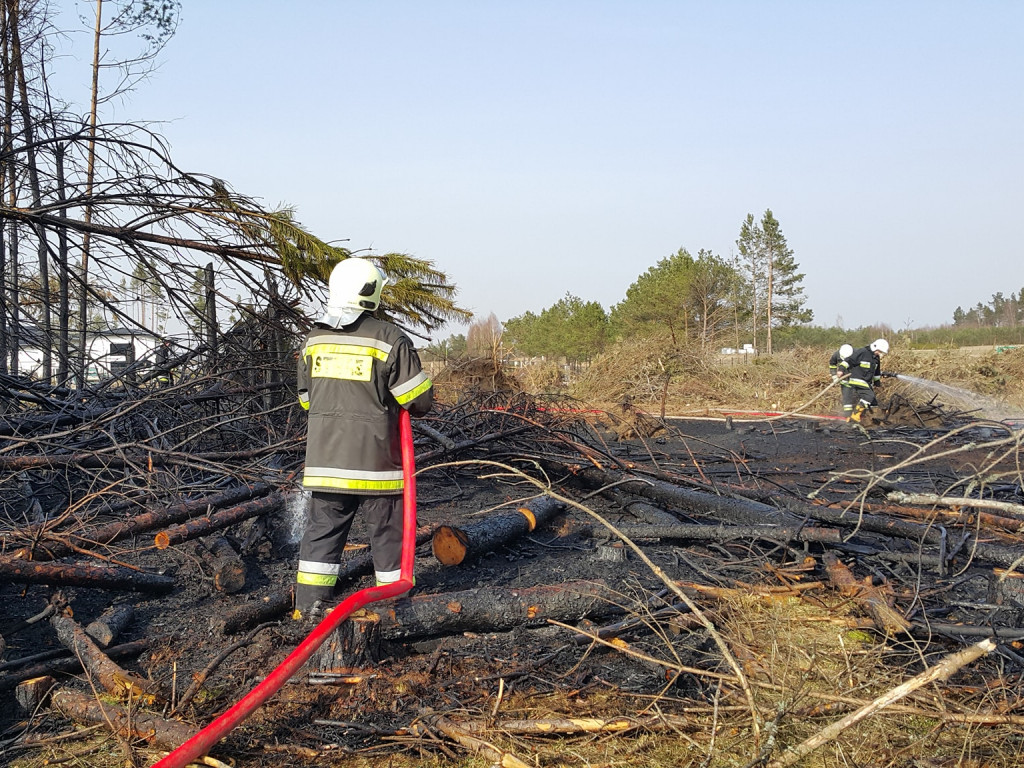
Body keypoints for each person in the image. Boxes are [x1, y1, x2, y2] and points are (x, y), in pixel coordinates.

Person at [293, 258, 433, 621]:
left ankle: (307, 610)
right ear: (371, 292)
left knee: (321, 536)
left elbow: (307, 400)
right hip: (377, 467)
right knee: (388, 538)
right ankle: (393, 612)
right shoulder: (388, 339)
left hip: (324, 464)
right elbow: (418, 401)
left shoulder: (314, 340)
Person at [838, 338, 888, 422]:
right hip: (857, 379)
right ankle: (855, 415)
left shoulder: (876, 358)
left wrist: (877, 382)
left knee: (873, 402)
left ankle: (870, 418)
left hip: (866, 382)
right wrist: (841, 369)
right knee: (869, 396)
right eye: (879, 351)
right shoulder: (863, 352)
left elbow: (876, 372)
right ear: (875, 347)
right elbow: (849, 360)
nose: (879, 353)